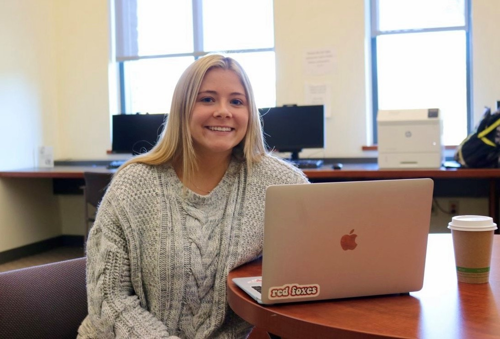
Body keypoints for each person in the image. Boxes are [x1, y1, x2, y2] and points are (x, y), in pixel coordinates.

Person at [77, 54, 309, 339]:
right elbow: (109, 299)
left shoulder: (280, 183)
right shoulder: (133, 184)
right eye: (207, 99)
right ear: (182, 108)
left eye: (237, 101)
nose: (224, 111)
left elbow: (313, 266)